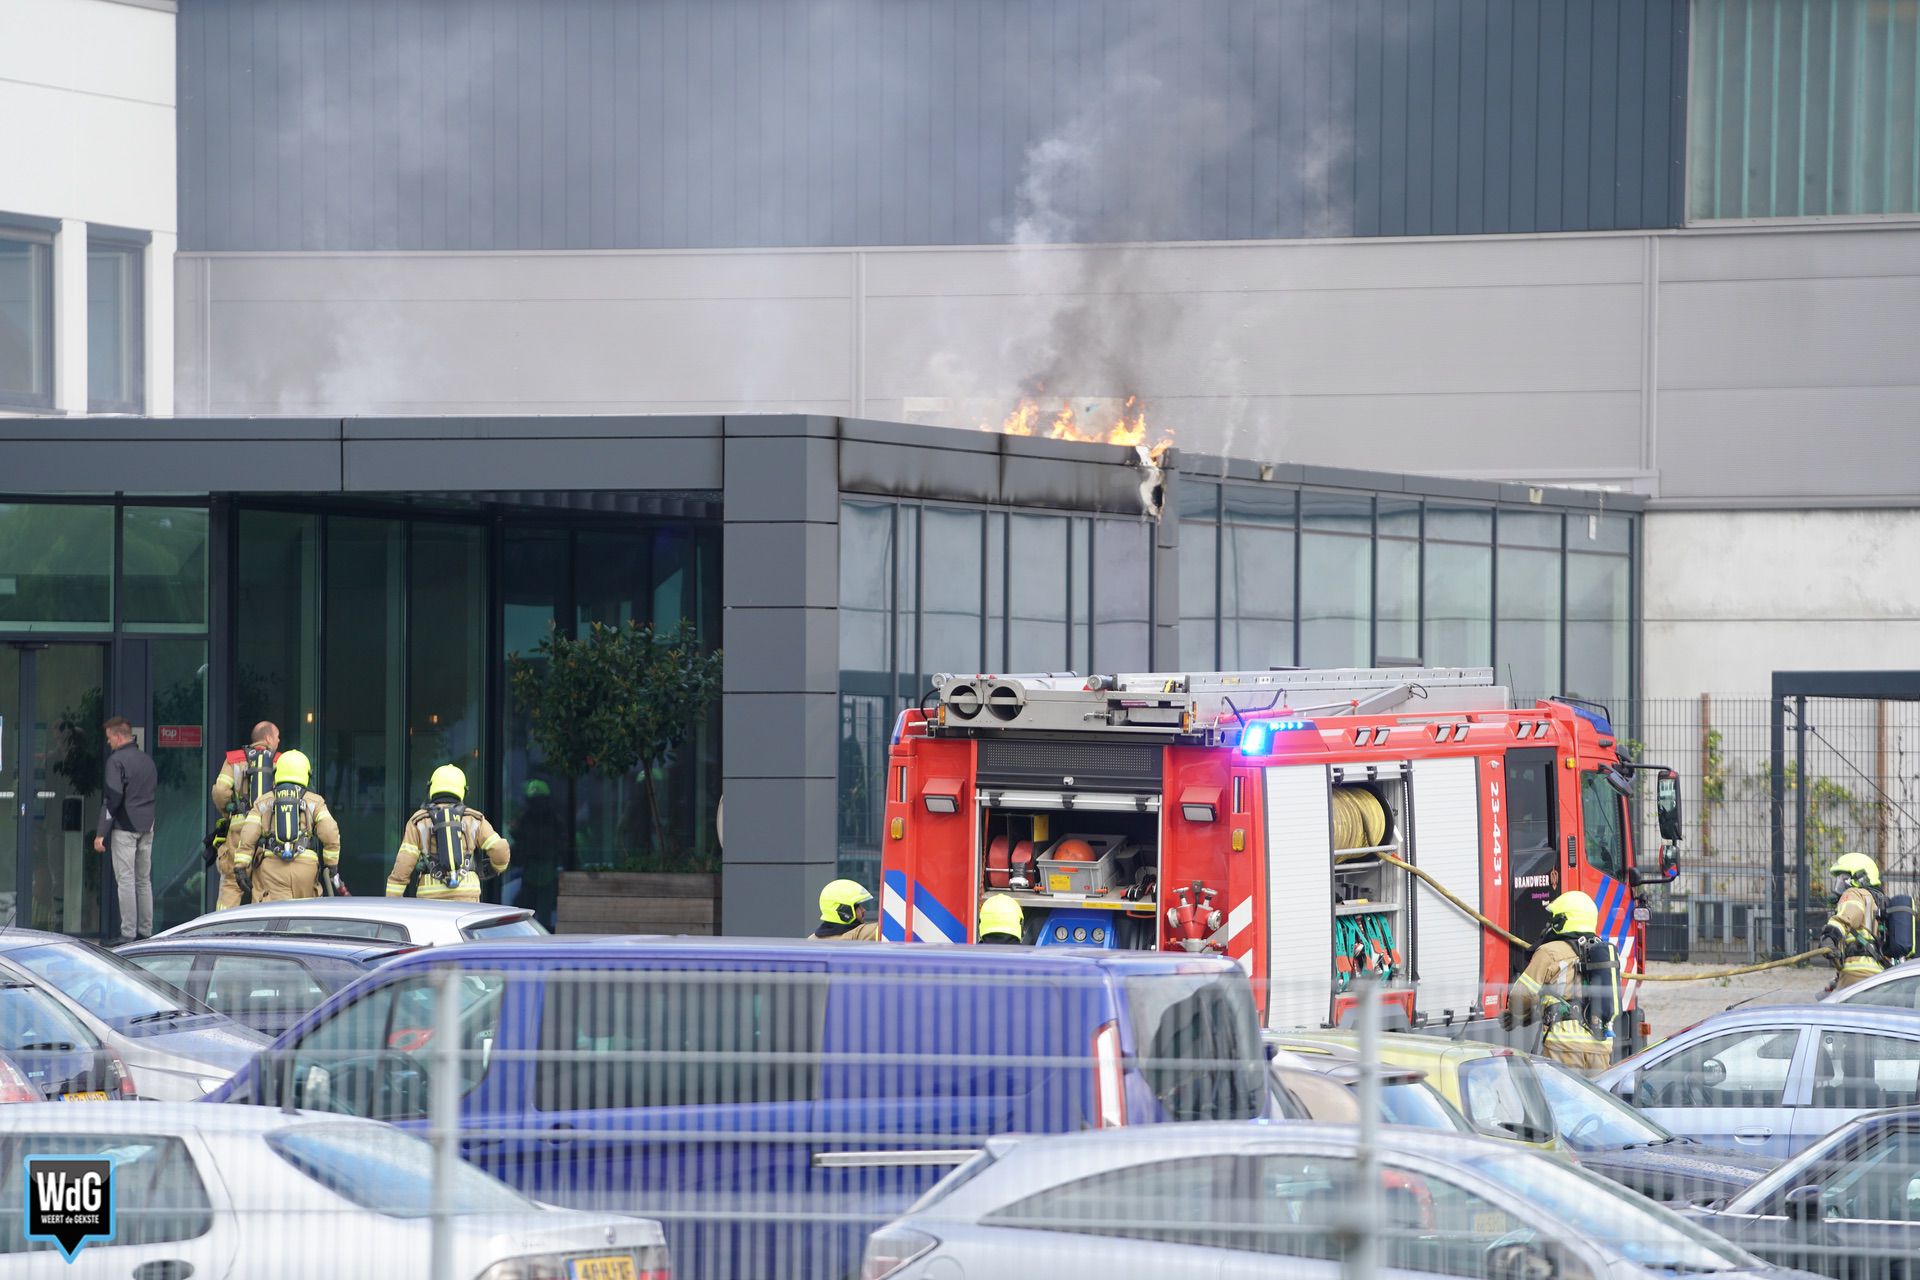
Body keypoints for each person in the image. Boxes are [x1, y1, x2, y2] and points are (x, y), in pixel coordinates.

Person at [1506, 890, 1619, 1072]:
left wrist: (1519, 1015)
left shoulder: (1549, 952)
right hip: (1601, 1047)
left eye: (1555, 918)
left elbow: (1521, 996)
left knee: (1560, 1099)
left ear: (1564, 920)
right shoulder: (1603, 953)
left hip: (1564, 1046)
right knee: (1593, 1098)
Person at [228, 749, 344, 902]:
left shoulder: (263, 801)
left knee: (272, 917)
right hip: (306, 867)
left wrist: (240, 866)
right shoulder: (315, 802)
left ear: (277, 773)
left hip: (272, 868)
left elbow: (248, 834)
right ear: (306, 774)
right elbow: (330, 832)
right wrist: (332, 865)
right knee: (304, 917)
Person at [385, 764, 510, 902]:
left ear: (430, 788)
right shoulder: (474, 819)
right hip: (467, 895)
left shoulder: (418, 821)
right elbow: (500, 849)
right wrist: (496, 868)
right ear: (464, 791)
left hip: (430, 896)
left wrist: (392, 900)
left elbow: (403, 864)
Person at [93, 717, 158, 942]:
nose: (109, 742)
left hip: (125, 826)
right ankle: (145, 932)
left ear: (118, 736)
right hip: (147, 826)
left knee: (126, 880)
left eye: (109, 738)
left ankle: (128, 934)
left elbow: (113, 798)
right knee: (143, 880)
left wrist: (101, 832)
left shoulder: (116, 760)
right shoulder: (147, 760)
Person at [208, 721, 279, 910]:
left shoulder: (234, 759)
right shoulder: (279, 760)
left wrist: (230, 811)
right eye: (277, 736)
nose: (279, 741)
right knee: (263, 886)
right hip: (267, 832)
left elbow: (221, 791)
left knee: (231, 884)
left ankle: (222, 932)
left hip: (238, 831)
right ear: (269, 738)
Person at [1822, 852, 1887, 990]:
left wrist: (1830, 936)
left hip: (1856, 974)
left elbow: (1846, 918)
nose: (1839, 887)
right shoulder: (1876, 900)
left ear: (1861, 878)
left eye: (1843, 879)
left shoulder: (1854, 894)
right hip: (1878, 973)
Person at [810, 879, 880, 941]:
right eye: (858, 906)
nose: (863, 910)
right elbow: (887, 928)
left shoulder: (812, 940)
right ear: (845, 911)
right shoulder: (859, 935)